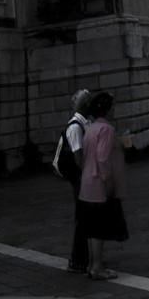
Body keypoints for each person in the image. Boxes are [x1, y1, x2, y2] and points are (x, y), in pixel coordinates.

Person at [77, 91, 129, 280]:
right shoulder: (106, 130)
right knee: (99, 226)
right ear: (107, 109)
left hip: (87, 182)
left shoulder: (91, 128)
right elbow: (103, 158)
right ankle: (98, 266)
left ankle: (93, 264)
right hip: (99, 182)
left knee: (92, 227)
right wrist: (109, 182)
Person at [55, 88, 93, 274]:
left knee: (85, 216)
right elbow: (79, 158)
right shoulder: (75, 126)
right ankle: (77, 260)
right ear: (85, 105)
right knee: (83, 217)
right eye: (90, 100)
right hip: (80, 178)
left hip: (82, 177)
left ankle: (83, 257)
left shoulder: (84, 123)